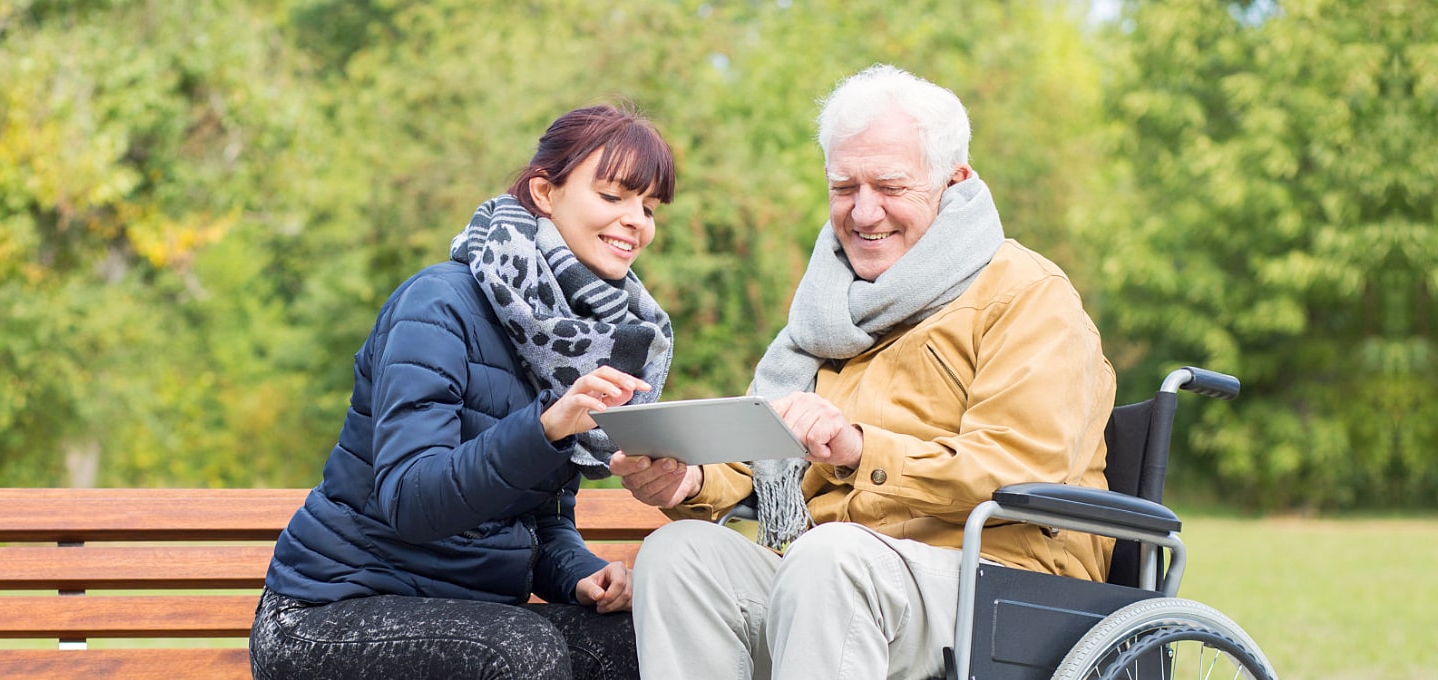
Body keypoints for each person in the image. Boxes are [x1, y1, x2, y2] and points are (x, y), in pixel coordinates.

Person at [608, 65, 1117, 680]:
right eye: (844, 186)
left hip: (1003, 579)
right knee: (680, 554)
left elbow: (1021, 464)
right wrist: (688, 481)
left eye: (890, 186)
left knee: (832, 558)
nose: (863, 211)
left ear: (953, 181)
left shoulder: (1027, 295)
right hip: (834, 570)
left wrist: (859, 448)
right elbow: (757, 462)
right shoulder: (825, 311)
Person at [251, 104, 679, 680]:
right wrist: (546, 428)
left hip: (465, 614)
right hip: (326, 613)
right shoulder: (438, 304)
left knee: (630, 639)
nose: (636, 222)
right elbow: (410, 499)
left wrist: (581, 573)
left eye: (648, 208)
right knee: (521, 650)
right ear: (545, 194)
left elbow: (543, 525)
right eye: (613, 197)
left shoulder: (571, 338)